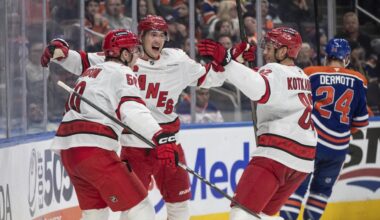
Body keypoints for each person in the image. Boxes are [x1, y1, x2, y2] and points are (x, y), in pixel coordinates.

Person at [41, 15, 239, 220]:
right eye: (153, 34)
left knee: (176, 204)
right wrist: (64, 55)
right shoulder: (121, 65)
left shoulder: (175, 60)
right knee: (136, 209)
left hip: (165, 142)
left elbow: (209, 77)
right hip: (135, 144)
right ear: (140, 37)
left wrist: (231, 63)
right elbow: (84, 62)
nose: (158, 40)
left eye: (162, 35)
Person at [50, 29, 179, 220]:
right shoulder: (123, 72)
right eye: (135, 50)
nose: (138, 55)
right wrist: (159, 135)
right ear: (124, 54)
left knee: (95, 214)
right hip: (94, 150)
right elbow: (132, 108)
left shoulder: (91, 71)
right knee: (141, 209)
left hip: (69, 153)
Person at [197, 27, 318, 220]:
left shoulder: (275, 70)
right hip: (303, 160)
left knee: (241, 214)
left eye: (270, 47)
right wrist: (238, 63)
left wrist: (228, 61)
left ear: (283, 51)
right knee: (263, 215)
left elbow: (259, 89)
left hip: (278, 152)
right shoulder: (301, 75)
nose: (264, 51)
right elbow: (259, 81)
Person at [279, 38, 369, 220]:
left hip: (310, 143)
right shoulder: (360, 80)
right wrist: (341, 132)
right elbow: (360, 122)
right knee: (321, 192)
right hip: (338, 150)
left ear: (326, 56)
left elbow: (296, 107)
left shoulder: (311, 73)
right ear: (346, 58)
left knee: (296, 188)